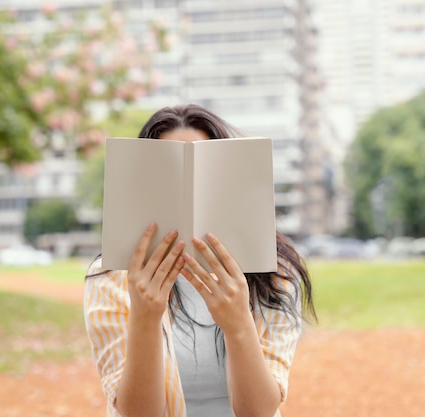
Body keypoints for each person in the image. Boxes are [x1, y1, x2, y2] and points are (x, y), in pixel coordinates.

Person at [84, 104, 316, 417]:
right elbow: (138, 413)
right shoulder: (110, 276)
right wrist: (145, 315)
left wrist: (237, 323)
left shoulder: (273, 274)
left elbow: (259, 411)